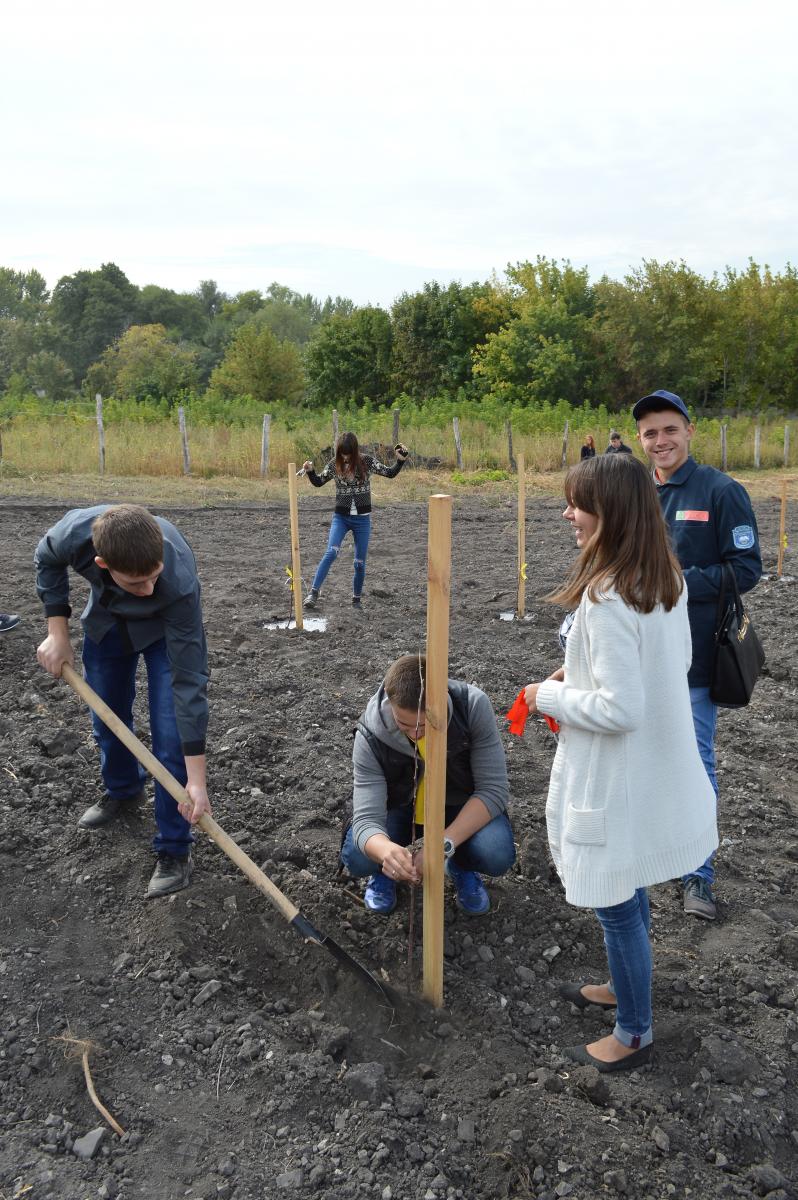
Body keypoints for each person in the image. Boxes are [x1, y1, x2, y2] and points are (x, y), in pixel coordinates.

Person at [520, 454, 717, 1072]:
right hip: (652, 766)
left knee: (614, 896)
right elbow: (669, 663)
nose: (568, 514)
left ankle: (633, 1031)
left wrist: (543, 696)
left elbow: (620, 707)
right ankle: (625, 984)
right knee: (627, 885)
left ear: (609, 512)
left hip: (616, 774)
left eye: (578, 504)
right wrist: (571, 670)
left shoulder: (607, 594)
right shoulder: (665, 579)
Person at [35, 503, 211, 898]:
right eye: (137, 584)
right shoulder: (74, 534)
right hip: (108, 623)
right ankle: (123, 790)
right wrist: (57, 632)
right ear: (101, 563)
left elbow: (188, 682)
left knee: (169, 740)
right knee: (106, 718)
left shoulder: (178, 578)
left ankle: (174, 848)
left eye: (153, 578)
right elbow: (46, 558)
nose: (148, 590)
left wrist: (196, 781)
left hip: (166, 634)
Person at [633, 388, 761, 920]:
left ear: (689, 431)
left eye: (669, 429)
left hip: (694, 660)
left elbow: (747, 569)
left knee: (696, 762)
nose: (660, 441)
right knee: (640, 757)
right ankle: (647, 853)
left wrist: (680, 583)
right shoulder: (637, 493)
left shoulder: (720, 491)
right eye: (649, 433)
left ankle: (698, 877)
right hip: (639, 656)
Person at [341, 654, 516, 915]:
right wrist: (386, 852)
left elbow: (493, 790)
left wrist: (443, 846)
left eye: (424, 725)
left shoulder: (472, 708)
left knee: (496, 851)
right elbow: (367, 819)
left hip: (458, 805)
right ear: (390, 705)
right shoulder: (371, 733)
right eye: (404, 725)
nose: (415, 734)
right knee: (358, 854)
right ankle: (386, 873)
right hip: (399, 808)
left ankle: (460, 866)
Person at [301, 432, 409, 609]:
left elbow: (389, 473)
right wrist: (310, 471)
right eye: (342, 453)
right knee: (331, 552)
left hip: (362, 521)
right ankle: (313, 593)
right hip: (341, 518)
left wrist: (400, 461)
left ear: (355, 450)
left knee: (359, 563)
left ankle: (356, 600)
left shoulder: (366, 462)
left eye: (348, 453)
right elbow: (319, 481)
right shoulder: (334, 464)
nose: (345, 457)